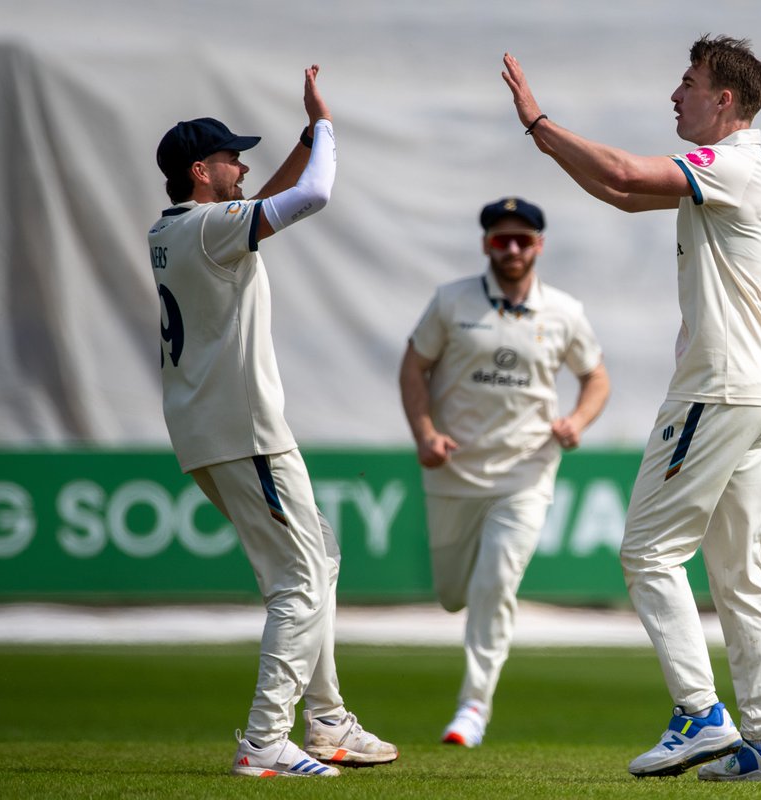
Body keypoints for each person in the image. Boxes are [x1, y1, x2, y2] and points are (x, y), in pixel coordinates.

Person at [502, 36, 761, 781]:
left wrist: (538, 122)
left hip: (719, 387)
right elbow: (623, 191)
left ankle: (700, 714)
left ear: (724, 100)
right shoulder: (741, 170)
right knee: (740, 576)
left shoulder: (728, 163)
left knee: (647, 553)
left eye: (689, 83)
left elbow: (629, 170)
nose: (676, 95)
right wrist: (549, 148)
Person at [148, 65, 397, 778]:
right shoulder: (211, 229)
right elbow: (312, 193)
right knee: (299, 582)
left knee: (318, 556)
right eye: (230, 157)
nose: (242, 165)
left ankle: (326, 721)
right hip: (245, 430)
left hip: (207, 433)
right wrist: (325, 130)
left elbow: (263, 198)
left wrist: (302, 137)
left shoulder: (178, 229)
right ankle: (265, 742)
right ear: (202, 170)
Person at [399, 197, 610, 748]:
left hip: (526, 471)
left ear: (539, 245)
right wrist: (424, 434)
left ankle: (473, 706)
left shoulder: (564, 311)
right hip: (454, 468)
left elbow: (596, 378)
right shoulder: (451, 301)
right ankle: (470, 670)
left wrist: (578, 421)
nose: (511, 249)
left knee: (495, 583)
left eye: (522, 239)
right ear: (486, 244)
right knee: (452, 594)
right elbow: (414, 366)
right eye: (500, 239)